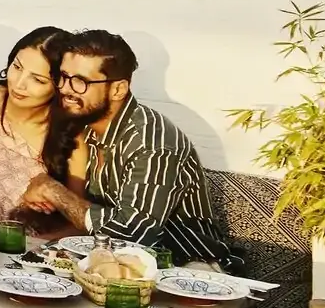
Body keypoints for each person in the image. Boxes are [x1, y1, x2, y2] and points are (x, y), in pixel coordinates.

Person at [32, 29, 229, 264]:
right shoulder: (86, 124)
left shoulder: (153, 143)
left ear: (118, 89)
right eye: (63, 77)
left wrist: (55, 192)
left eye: (80, 82)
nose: (65, 88)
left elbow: (132, 234)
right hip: (114, 265)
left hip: (192, 272)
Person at [0, 27, 81, 237]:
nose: (19, 83)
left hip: (22, 256)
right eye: (17, 67)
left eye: (38, 80)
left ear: (60, 86)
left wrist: (30, 251)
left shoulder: (69, 136)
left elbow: (79, 224)